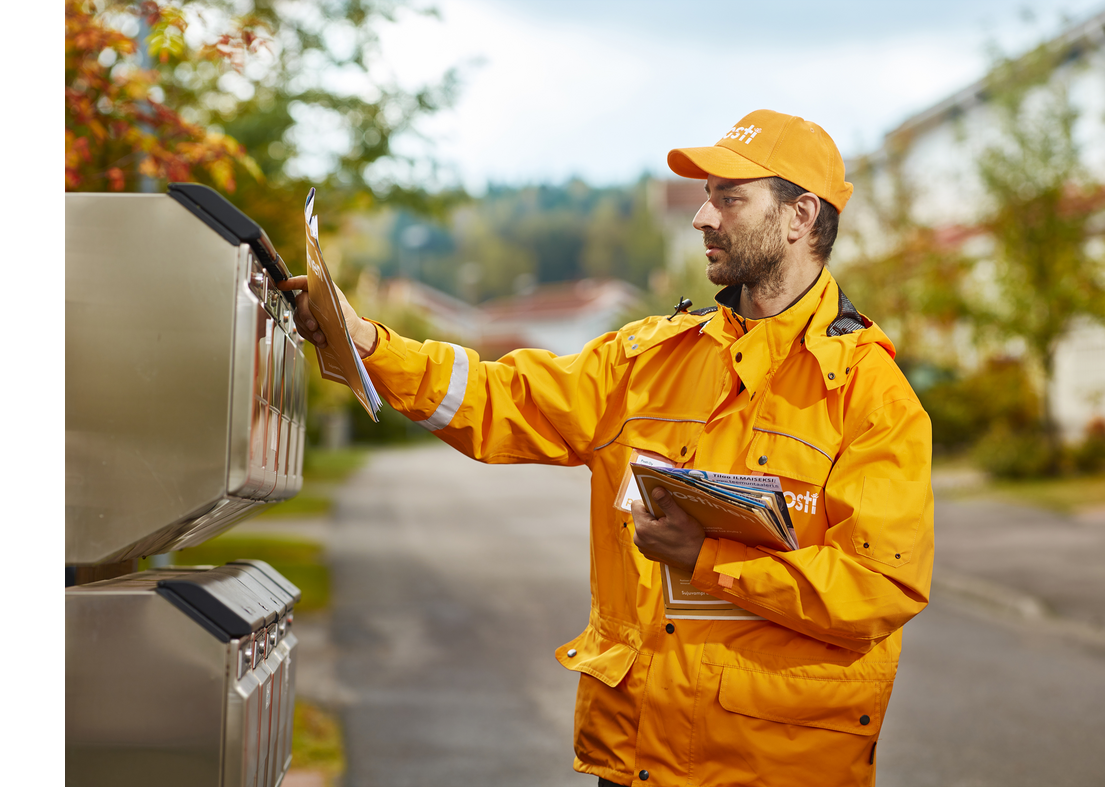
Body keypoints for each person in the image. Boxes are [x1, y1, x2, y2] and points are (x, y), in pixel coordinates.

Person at [280, 109, 934, 787]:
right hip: (636, 762)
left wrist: (708, 559)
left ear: (800, 216)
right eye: (708, 196)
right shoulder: (648, 359)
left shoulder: (872, 398)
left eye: (729, 198)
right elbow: (506, 398)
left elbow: (877, 588)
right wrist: (368, 344)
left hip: (780, 769)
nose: (702, 218)